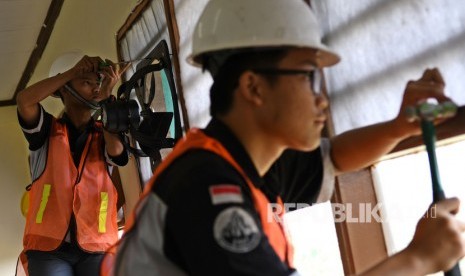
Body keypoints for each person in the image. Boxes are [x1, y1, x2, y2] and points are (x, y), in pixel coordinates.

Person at [108, 0, 465, 275]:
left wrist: (399, 127)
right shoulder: (205, 189)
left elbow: (334, 158)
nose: (323, 98)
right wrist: (419, 259)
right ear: (253, 86)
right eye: (309, 77)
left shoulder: (238, 162)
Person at [16, 52, 129, 276]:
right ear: (63, 90)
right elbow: (24, 100)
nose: (95, 89)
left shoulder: (104, 133)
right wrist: (71, 72)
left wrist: (108, 99)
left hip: (98, 245)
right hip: (48, 248)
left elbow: (118, 153)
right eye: (86, 83)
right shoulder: (46, 131)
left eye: (97, 84)